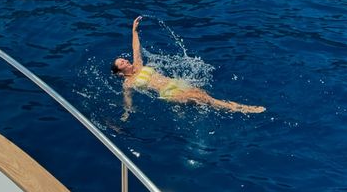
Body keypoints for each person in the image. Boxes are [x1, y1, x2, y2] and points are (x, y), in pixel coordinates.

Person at [112, 16, 266, 118]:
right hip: (168, 93)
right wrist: (127, 112)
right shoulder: (128, 82)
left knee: (203, 94)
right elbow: (127, 98)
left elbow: (135, 48)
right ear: (120, 72)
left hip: (177, 83)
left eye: (123, 60)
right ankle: (244, 109)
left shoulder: (138, 65)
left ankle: (189, 109)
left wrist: (134, 30)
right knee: (205, 99)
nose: (125, 61)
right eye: (121, 63)